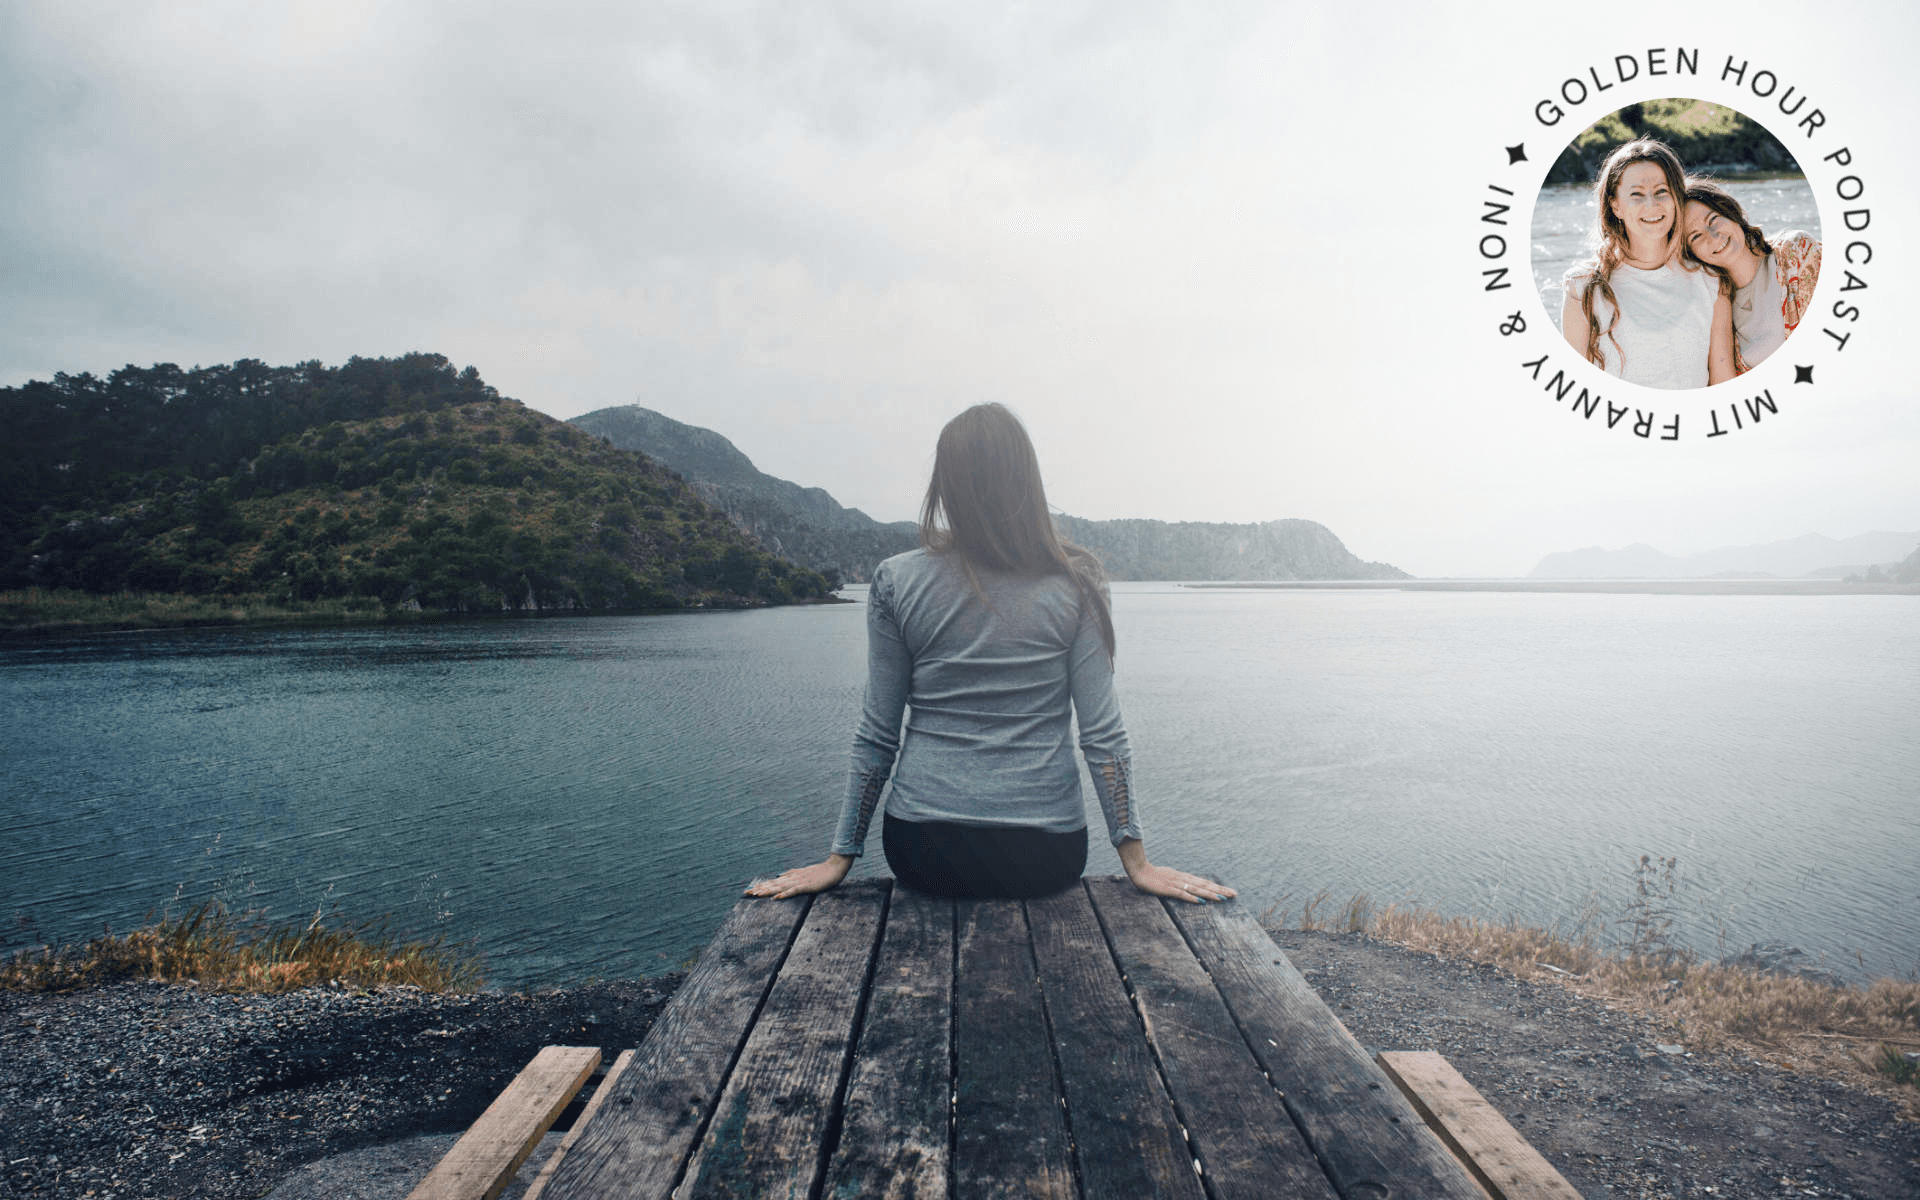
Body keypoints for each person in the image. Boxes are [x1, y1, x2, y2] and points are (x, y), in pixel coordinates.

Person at [746, 403, 1234, 904]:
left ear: (945, 485)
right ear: (1026, 480)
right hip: (1046, 856)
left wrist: (839, 856)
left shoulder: (896, 580)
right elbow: (1103, 735)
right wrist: (1137, 862)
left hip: (921, 850)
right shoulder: (1078, 582)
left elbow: (877, 733)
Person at [1560, 139, 1736, 389]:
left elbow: (1723, 383)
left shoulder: (1711, 281)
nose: (1652, 204)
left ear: (1676, 198)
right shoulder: (1582, 286)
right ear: (1615, 205)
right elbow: (1576, 388)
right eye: (1637, 194)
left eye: (1662, 191)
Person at [1680, 178, 1822, 374]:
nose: (1713, 236)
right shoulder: (1715, 306)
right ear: (1691, 253)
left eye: (1713, 220)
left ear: (1729, 211)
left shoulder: (1796, 251)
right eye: (1696, 236)